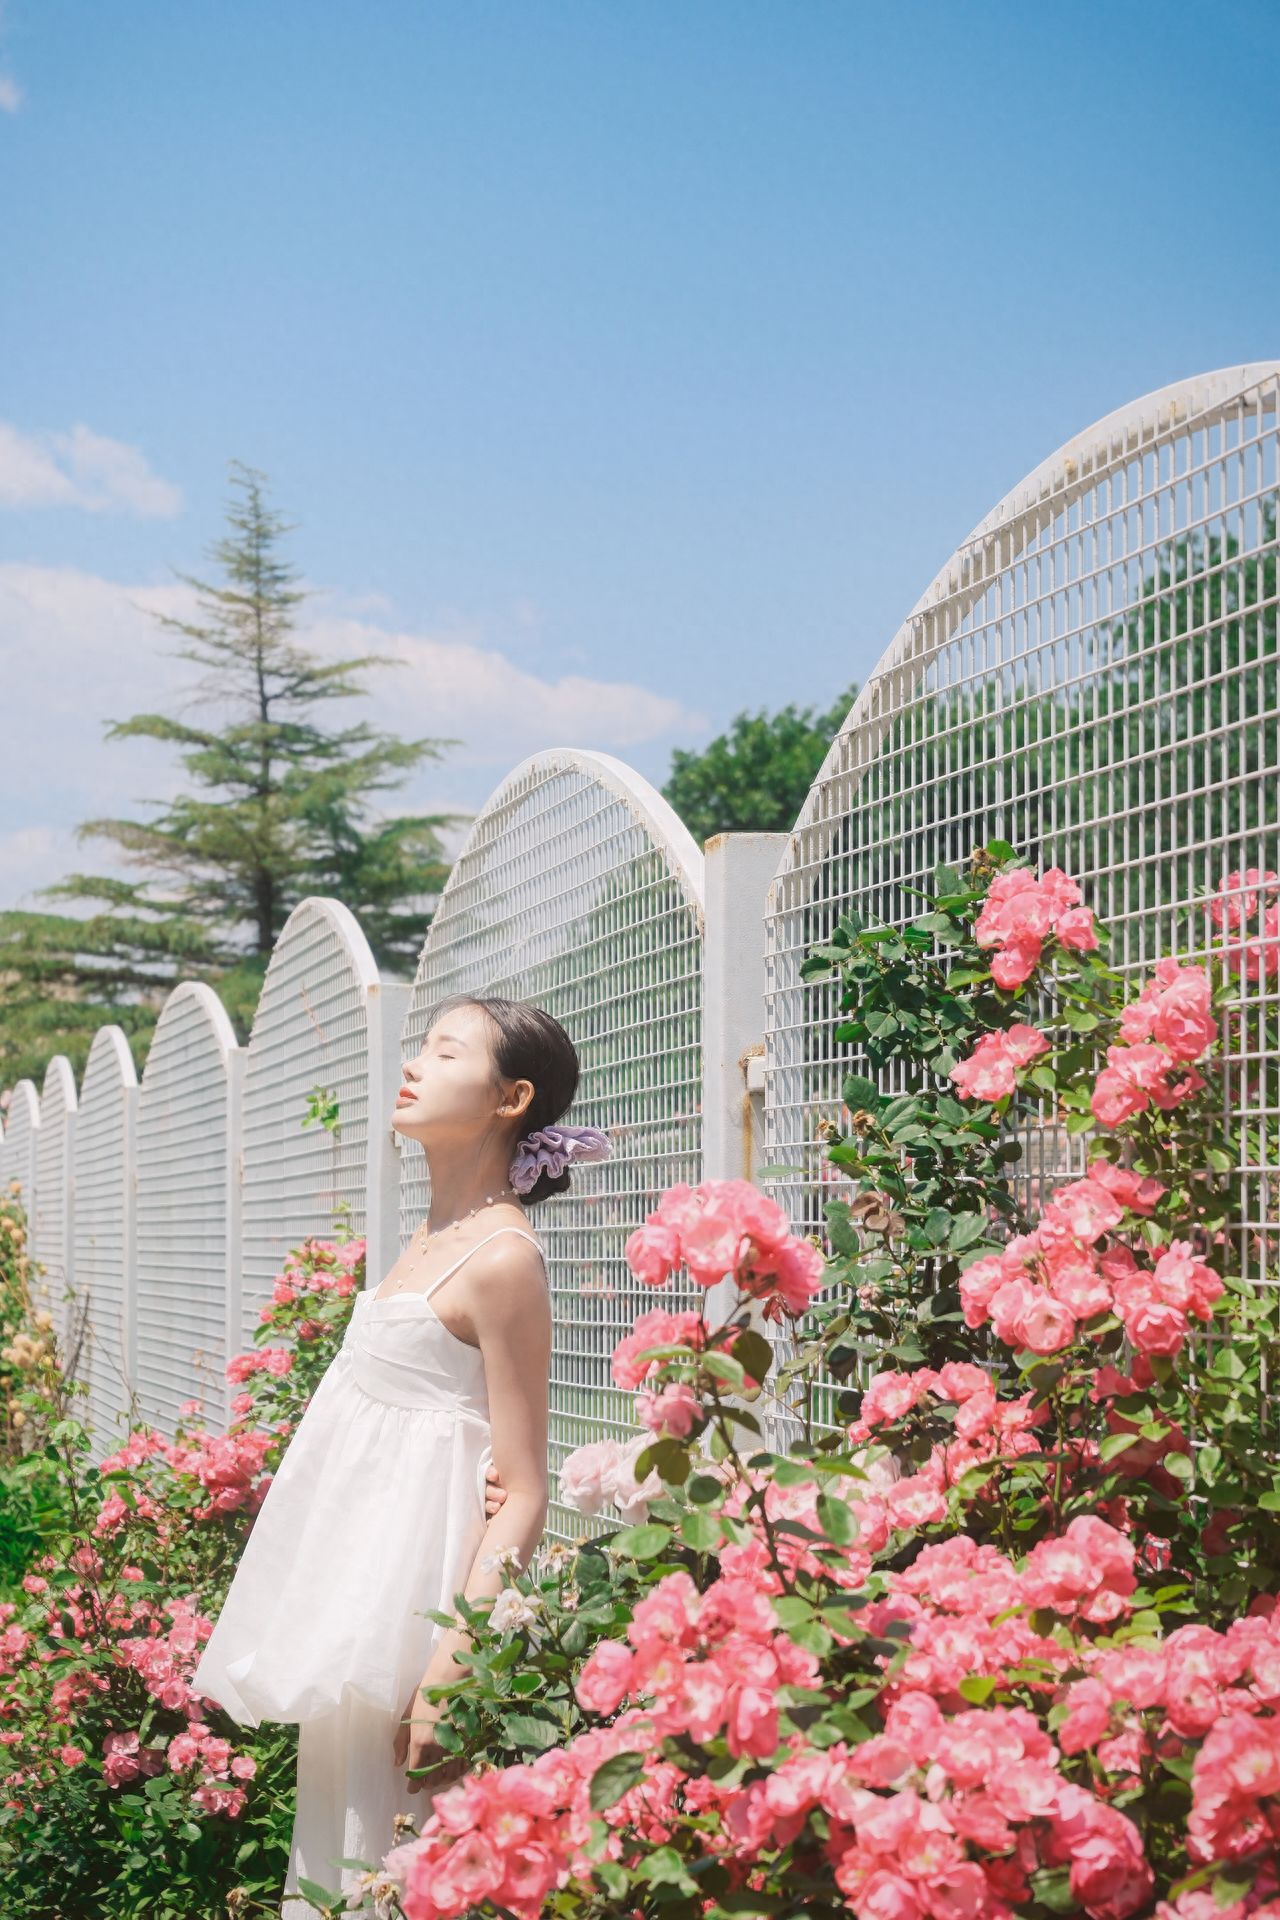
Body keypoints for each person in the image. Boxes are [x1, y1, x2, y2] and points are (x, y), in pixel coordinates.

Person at [189, 994, 611, 1917]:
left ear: (511, 1099)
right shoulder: (428, 1237)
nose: (414, 1066)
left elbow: (526, 1489)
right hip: (362, 1602)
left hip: (417, 1625)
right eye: (419, 1047)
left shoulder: (502, 1260)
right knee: (343, 1858)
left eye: (446, 1052)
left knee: (395, 1863)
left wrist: (450, 1675)